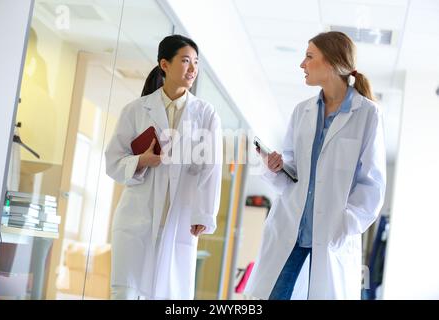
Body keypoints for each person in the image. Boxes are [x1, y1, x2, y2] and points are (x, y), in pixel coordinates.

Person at [244, 31, 386, 300]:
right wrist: (277, 167)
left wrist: (345, 224)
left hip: (332, 234)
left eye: (309, 57)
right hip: (291, 229)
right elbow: (294, 172)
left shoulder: (367, 114)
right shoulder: (302, 111)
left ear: (331, 63)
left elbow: (372, 184)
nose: (302, 64)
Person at [105, 35, 223, 300]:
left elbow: (211, 168)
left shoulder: (206, 114)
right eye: (185, 61)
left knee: (170, 294)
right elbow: (113, 162)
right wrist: (141, 160)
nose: (193, 69)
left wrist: (204, 214)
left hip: (179, 219)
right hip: (137, 219)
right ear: (165, 65)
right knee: (125, 292)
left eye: (195, 62)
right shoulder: (135, 110)